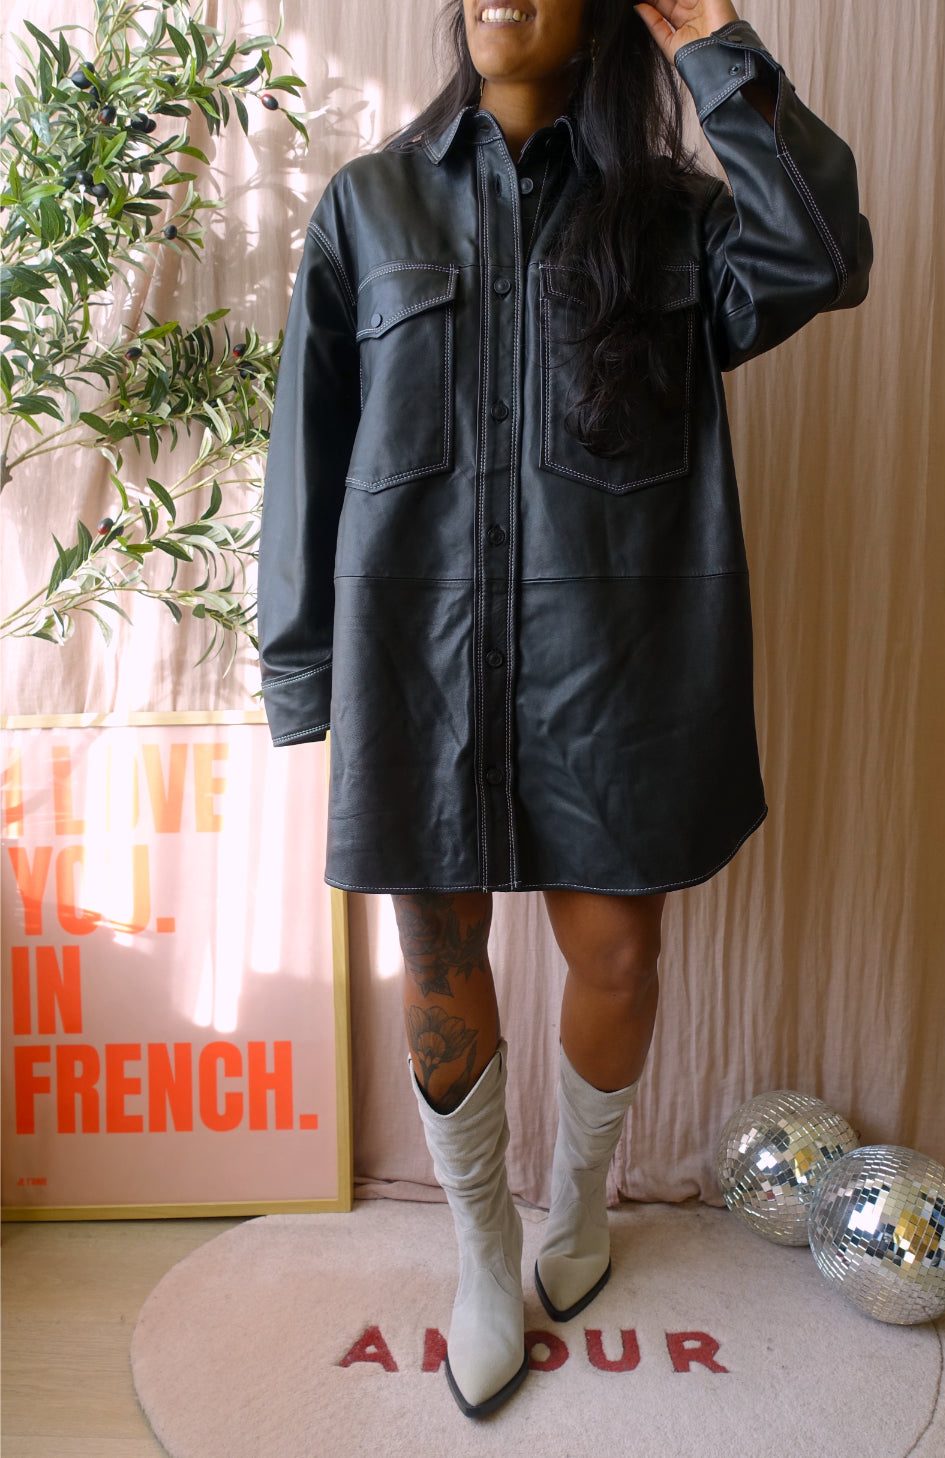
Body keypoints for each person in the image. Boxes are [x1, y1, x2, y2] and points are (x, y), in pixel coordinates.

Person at [257, 0, 872, 1422]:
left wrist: (712, 40)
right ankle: (482, 1250)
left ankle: (577, 1201)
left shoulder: (675, 223)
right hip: (420, 660)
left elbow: (824, 254)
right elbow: (311, 447)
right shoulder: (371, 206)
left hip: (616, 662)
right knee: (438, 960)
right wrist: (304, 671)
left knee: (620, 953)